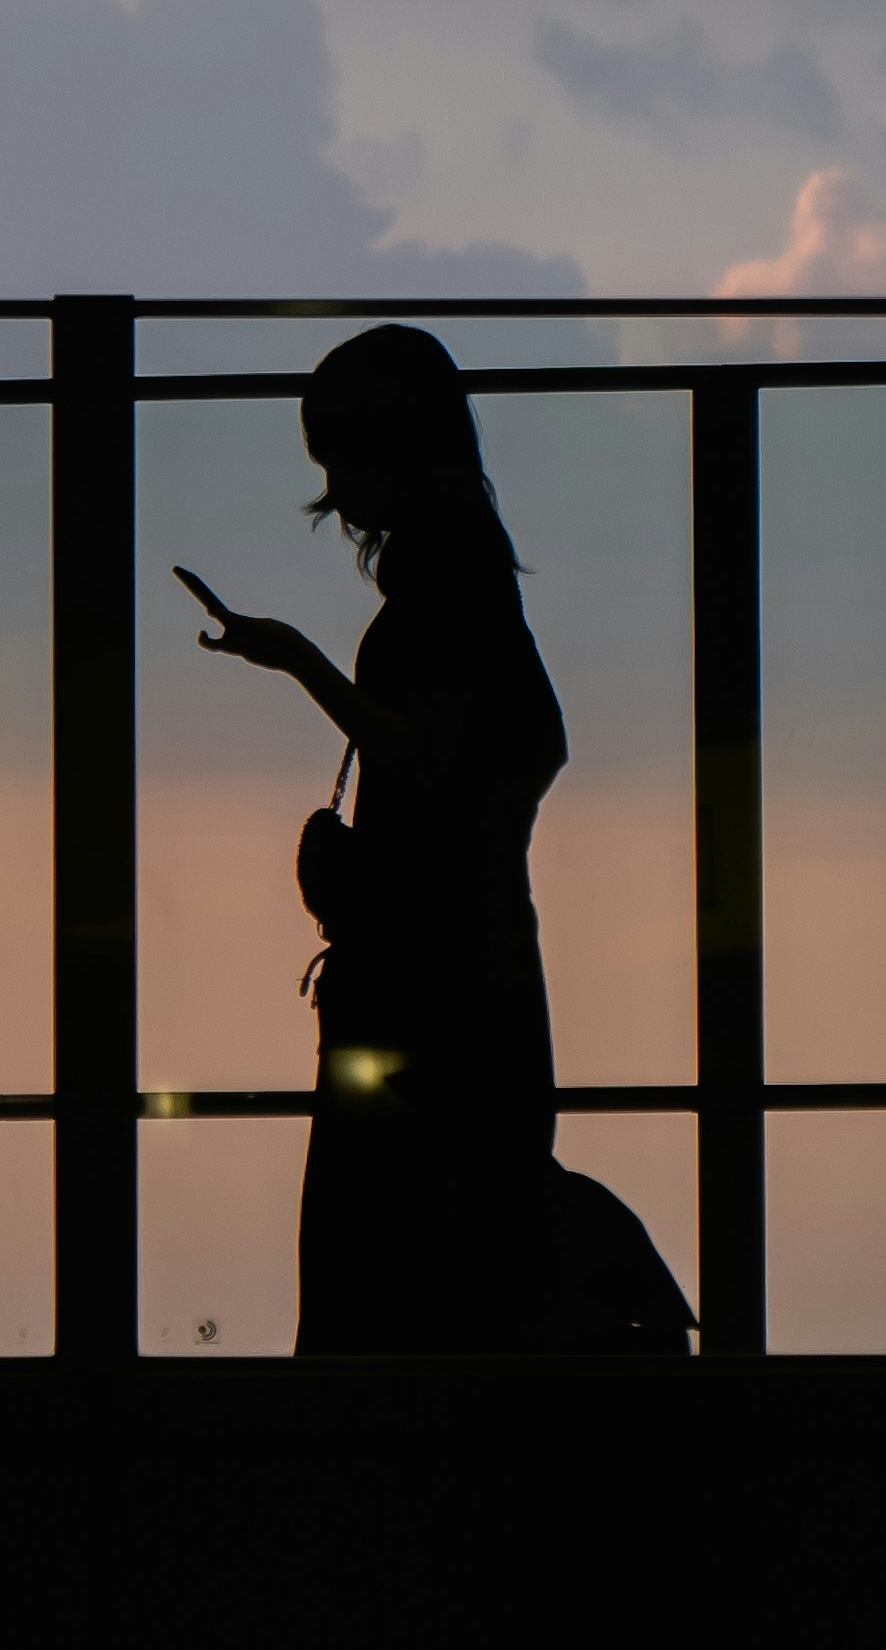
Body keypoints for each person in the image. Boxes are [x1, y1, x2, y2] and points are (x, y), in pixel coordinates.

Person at [181, 320, 619, 1354]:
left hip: (430, 985)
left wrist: (302, 664)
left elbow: (457, 752)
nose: (334, 490)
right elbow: (517, 747)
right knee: (438, 1267)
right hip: (461, 969)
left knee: (386, 1269)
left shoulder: (448, 581)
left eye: (342, 458)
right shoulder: (462, 572)